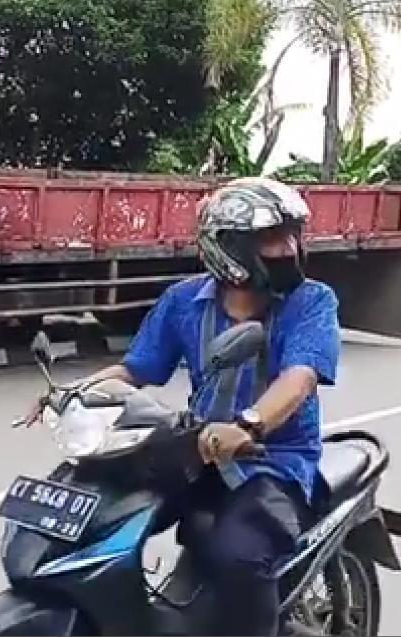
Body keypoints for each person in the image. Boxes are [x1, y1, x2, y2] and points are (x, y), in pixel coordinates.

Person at [81, 177, 341, 635]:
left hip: (273, 464)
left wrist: (250, 424)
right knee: (100, 520)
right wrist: (73, 393)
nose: (288, 248)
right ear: (229, 246)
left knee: (238, 555)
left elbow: (299, 379)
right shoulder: (183, 301)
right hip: (194, 451)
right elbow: (136, 370)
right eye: (271, 238)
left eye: (291, 235)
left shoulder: (310, 302)